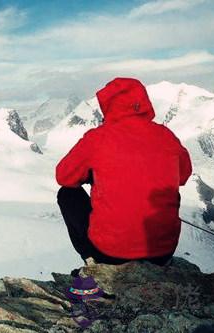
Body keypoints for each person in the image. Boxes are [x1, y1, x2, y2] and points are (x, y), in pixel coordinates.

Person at [55, 77, 192, 267]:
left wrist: (92, 175)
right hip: (162, 252)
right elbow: (183, 176)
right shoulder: (166, 136)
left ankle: (93, 262)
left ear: (107, 105)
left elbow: (63, 176)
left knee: (68, 194)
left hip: (110, 254)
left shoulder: (98, 138)